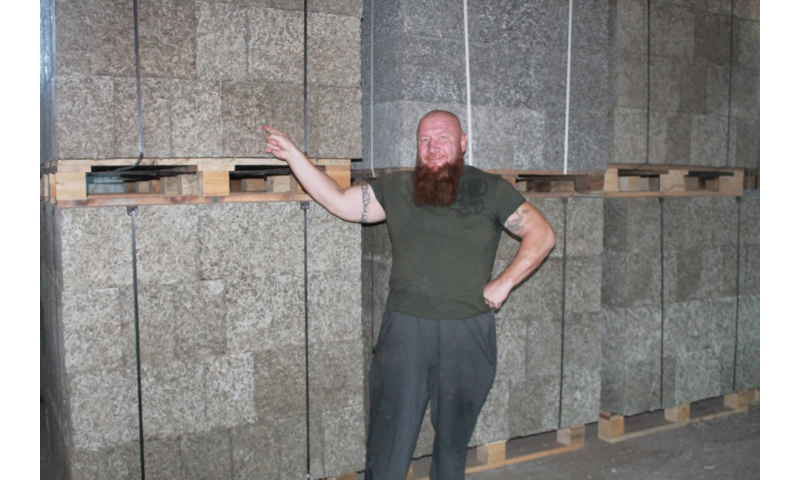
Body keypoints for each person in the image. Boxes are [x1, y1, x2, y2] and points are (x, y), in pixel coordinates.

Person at [264, 111, 556, 480]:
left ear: (463, 142)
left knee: (453, 444)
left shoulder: (490, 188)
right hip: (405, 332)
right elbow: (339, 201)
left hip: (467, 333)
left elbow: (542, 234)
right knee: (389, 440)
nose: (433, 147)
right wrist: (294, 155)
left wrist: (506, 281)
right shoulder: (397, 187)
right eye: (425, 140)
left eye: (443, 138)